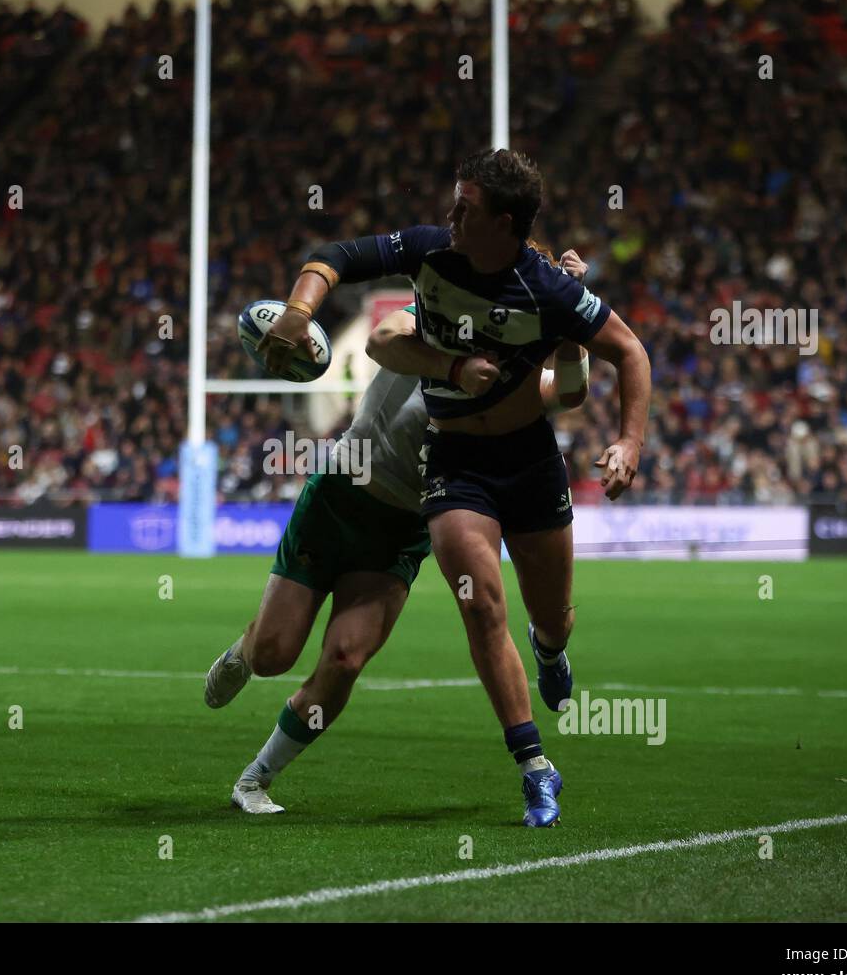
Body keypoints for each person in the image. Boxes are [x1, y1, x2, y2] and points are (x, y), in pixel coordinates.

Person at [257, 149, 652, 826]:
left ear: (505, 224)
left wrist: (630, 439)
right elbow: (337, 256)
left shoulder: (548, 292)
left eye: (465, 209)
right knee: (480, 603)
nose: (451, 216)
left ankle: (551, 649)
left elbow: (629, 353)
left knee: (552, 615)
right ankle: (534, 765)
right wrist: (299, 309)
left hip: (528, 463)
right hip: (455, 462)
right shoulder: (431, 254)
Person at [206, 249, 592, 816]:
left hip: (406, 526)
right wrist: (454, 368)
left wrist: (571, 329)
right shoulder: (431, 317)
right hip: (339, 495)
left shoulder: (513, 373)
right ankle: (247, 647)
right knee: (273, 654)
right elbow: (383, 335)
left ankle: (254, 780)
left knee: (344, 660)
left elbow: (571, 390)